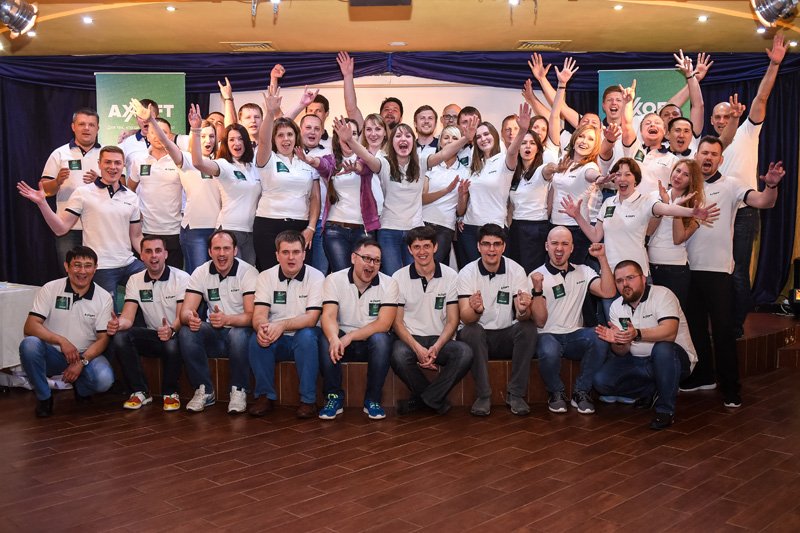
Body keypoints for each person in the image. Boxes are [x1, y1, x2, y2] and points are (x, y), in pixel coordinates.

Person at [681, 137, 785, 408]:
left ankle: (731, 388)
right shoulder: (686, 185)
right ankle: (704, 376)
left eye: (713, 154)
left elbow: (764, 202)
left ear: (720, 159)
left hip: (718, 272)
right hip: (687, 269)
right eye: (704, 152)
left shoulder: (731, 184)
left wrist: (771, 185)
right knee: (695, 330)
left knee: (723, 332)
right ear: (696, 155)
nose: (708, 157)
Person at [711, 34, 787, 338]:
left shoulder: (747, 131)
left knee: (738, 271)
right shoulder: (707, 146)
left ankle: (736, 325)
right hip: (712, 213)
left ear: (734, 114)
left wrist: (774, 65)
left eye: (726, 115)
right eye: (717, 117)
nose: (721, 120)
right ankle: (717, 319)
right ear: (712, 121)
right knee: (713, 271)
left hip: (743, 211)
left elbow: (761, 99)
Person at [18, 146, 145, 311]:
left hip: (129, 263)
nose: (112, 167)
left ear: (123, 166)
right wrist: (42, 203)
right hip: (102, 267)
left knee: (154, 291)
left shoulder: (131, 197)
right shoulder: (83, 193)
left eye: (117, 163)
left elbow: (136, 236)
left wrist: (151, 258)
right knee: (109, 318)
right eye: (107, 162)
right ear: (99, 164)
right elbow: (60, 229)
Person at [560, 157, 717, 281]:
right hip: (610, 273)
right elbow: (595, 236)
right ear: (613, 179)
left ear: (636, 179)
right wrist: (577, 216)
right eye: (618, 174)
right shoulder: (608, 203)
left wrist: (691, 212)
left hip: (637, 275)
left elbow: (667, 208)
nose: (622, 178)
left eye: (628, 174)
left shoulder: (645, 201)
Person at [594, 260, 697, 430]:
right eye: (619, 281)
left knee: (662, 348)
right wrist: (619, 341)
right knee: (601, 381)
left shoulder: (662, 294)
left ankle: (665, 410)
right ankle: (652, 389)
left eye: (630, 278)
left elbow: (670, 332)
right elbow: (622, 351)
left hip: (674, 360)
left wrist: (637, 333)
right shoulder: (616, 307)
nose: (625, 284)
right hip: (640, 361)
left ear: (643, 278)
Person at [19, 246, 114, 417]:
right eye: (77, 265)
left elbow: (103, 339)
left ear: (95, 268)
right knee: (29, 344)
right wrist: (61, 341)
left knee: (104, 379)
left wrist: (81, 362)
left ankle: (82, 389)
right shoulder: (50, 288)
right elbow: (30, 326)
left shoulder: (104, 297)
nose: (82, 271)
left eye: (88, 266)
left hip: (86, 356)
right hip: (53, 353)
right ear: (66, 267)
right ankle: (44, 397)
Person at [457, 224, 540, 416]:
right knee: (471, 330)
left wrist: (522, 310)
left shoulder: (516, 270)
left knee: (528, 327)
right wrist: (476, 310)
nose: (491, 249)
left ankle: (516, 394)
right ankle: (483, 396)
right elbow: (465, 317)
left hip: (505, 335)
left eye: (496, 244)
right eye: (486, 244)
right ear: (478, 246)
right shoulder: (467, 272)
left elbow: (523, 315)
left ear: (504, 247)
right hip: (478, 337)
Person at [531, 228, 616, 414]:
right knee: (548, 348)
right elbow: (539, 322)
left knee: (600, 336)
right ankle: (556, 392)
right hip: (547, 334)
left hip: (574, 335)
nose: (559, 248)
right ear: (546, 246)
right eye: (554, 243)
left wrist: (602, 258)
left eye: (565, 244)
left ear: (572, 248)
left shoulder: (583, 271)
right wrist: (537, 290)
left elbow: (608, 292)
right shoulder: (536, 276)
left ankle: (581, 392)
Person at [390, 226, 473, 415]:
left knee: (464, 353)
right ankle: (434, 400)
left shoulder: (451, 276)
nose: (422, 252)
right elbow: (397, 323)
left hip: (440, 339)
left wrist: (436, 347)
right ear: (409, 250)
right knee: (398, 354)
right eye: (417, 247)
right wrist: (418, 349)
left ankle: (423, 400)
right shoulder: (398, 277)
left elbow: (453, 320)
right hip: (411, 340)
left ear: (435, 247)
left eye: (426, 246)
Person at [319, 237, 399, 420]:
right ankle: (333, 398)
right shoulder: (333, 280)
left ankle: (373, 399)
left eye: (376, 261)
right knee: (325, 338)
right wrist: (334, 338)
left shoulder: (389, 283)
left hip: (369, 341)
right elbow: (329, 316)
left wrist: (350, 336)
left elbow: (384, 323)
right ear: (353, 258)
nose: (371, 265)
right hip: (341, 342)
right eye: (367, 258)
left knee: (382, 338)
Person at [106, 236, 189, 411]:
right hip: (153, 335)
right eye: (148, 251)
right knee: (121, 337)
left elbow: (182, 316)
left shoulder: (181, 278)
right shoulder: (134, 280)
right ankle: (140, 391)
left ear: (166, 254)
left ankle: (170, 393)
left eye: (158, 251)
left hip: (177, 334)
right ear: (141, 256)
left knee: (171, 343)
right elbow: (128, 317)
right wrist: (118, 324)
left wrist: (171, 329)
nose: (154, 256)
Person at [179, 230, 258, 414]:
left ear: (235, 250)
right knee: (186, 331)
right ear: (209, 252)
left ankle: (238, 390)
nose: (221, 254)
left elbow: (253, 316)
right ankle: (204, 390)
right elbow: (185, 312)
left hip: (241, 331)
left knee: (238, 334)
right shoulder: (201, 272)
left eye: (226, 248)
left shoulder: (248, 272)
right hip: (214, 332)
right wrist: (191, 318)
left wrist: (227, 319)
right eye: (217, 249)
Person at [248, 230, 324, 418]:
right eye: (285, 252)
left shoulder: (316, 277)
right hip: (277, 337)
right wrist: (262, 327)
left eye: (296, 252)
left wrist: (281, 325)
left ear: (304, 254)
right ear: (277, 255)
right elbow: (259, 315)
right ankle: (264, 396)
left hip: (305, 336)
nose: (291, 257)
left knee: (307, 335)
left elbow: (311, 318)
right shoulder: (265, 276)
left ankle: (308, 400)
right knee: (256, 338)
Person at [189, 100, 270, 266]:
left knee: (247, 276)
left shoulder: (254, 166)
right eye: (231, 139)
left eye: (240, 139)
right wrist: (196, 130)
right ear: (226, 143)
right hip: (228, 230)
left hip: (250, 233)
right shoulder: (224, 165)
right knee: (230, 276)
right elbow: (198, 162)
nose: (236, 143)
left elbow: (267, 139)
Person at [145, 109, 221, 275]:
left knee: (217, 277)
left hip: (219, 230)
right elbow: (166, 142)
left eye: (211, 136)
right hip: (195, 230)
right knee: (198, 278)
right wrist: (151, 120)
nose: (208, 140)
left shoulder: (221, 162)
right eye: (202, 136)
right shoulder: (186, 159)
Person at [253, 87, 321, 271]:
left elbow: (315, 198)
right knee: (270, 276)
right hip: (268, 225)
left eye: (290, 134)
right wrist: (269, 112)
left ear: (296, 137)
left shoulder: (306, 161)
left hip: (300, 227)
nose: (286, 139)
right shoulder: (267, 158)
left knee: (299, 276)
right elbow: (264, 140)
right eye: (280, 135)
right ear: (274, 139)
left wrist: (311, 228)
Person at [299, 117, 379, 273]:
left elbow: (365, 167)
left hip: (363, 229)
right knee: (342, 275)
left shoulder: (365, 158)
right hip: (335, 230)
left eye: (353, 133)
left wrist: (355, 167)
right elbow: (322, 165)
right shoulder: (331, 160)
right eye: (345, 134)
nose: (348, 137)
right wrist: (310, 160)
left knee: (364, 275)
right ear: (337, 137)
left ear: (358, 137)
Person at [457, 104, 531, 265]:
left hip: (495, 229)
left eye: (486, 134)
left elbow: (513, 151)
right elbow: (466, 203)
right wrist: (460, 212)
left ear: (495, 136)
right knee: (470, 274)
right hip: (469, 228)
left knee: (495, 273)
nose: (483, 139)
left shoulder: (504, 160)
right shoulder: (474, 166)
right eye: (478, 136)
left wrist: (523, 131)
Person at [39, 108, 102, 268]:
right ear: (73, 127)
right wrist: (57, 181)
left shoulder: (106, 154)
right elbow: (45, 190)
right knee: (70, 271)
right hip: (67, 227)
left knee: (99, 271)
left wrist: (100, 181)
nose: (86, 128)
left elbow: (121, 187)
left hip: (99, 225)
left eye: (91, 125)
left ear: (98, 128)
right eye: (82, 124)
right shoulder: (59, 153)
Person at [646, 159, 706, 309]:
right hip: (650, 265)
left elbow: (678, 239)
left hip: (675, 268)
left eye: (686, 174)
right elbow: (649, 231)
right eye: (678, 171)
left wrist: (676, 209)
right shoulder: (654, 196)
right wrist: (666, 204)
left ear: (692, 180)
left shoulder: (696, 205)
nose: (679, 176)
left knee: (674, 314)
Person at [127, 117, 184, 268]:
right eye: (154, 132)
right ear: (147, 135)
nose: (158, 136)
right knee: (147, 276)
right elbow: (129, 189)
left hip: (173, 230)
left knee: (173, 276)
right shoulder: (139, 160)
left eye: (163, 132)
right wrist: (136, 211)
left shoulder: (179, 160)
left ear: (170, 136)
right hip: (145, 230)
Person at [507, 126, 552, 274]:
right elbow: (510, 206)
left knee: (533, 273)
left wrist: (557, 168)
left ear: (538, 149)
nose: (527, 146)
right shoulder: (514, 173)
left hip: (536, 228)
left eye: (532, 143)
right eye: (523, 143)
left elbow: (549, 169)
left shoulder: (540, 170)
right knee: (515, 272)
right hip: (516, 228)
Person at [421, 125, 465, 264]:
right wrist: (446, 190)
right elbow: (422, 198)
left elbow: (460, 211)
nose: (450, 141)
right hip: (423, 223)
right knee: (422, 266)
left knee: (433, 267)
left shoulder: (465, 171)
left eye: (455, 138)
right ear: (440, 142)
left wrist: (462, 195)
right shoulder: (430, 165)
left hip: (445, 228)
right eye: (446, 137)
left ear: (460, 144)